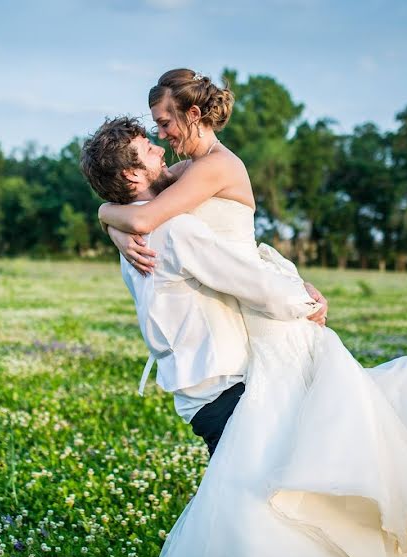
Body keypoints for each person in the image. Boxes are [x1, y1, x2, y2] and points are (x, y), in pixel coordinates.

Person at [92, 69, 407, 557]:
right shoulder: (173, 200)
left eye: (162, 124)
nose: (160, 141)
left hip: (247, 346)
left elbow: (157, 222)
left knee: (295, 476)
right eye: (150, 140)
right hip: (237, 353)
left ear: (191, 114)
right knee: (283, 486)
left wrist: (109, 215)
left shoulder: (208, 170)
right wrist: (113, 218)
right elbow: (162, 226)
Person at [80, 116, 328, 458]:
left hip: (198, 395)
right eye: (148, 149)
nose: (159, 147)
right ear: (131, 174)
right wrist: (306, 302)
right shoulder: (173, 230)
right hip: (225, 387)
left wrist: (106, 215)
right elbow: (251, 282)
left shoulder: (132, 237)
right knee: (265, 495)